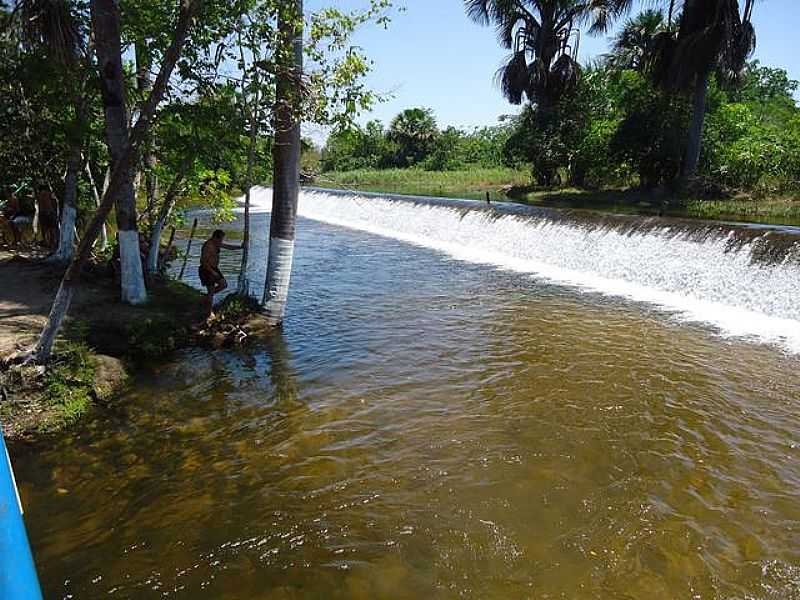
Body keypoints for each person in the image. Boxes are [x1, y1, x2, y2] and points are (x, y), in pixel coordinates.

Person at [199, 229, 242, 320]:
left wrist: (240, 247)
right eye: (221, 239)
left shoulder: (217, 243)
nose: (222, 241)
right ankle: (209, 313)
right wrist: (212, 272)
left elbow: (228, 246)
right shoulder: (208, 246)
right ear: (215, 237)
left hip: (214, 269)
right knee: (211, 291)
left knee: (223, 284)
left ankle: (205, 298)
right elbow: (203, 262)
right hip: (206, 270)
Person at [36, 185, 59, 251]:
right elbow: (54, 202)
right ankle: (50, 243)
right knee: (50, 228)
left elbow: (53, 202)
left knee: (46, 228)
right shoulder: (48, 194)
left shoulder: (41, 194)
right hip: (47, 212)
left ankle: (48, 242)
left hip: (45, 212)